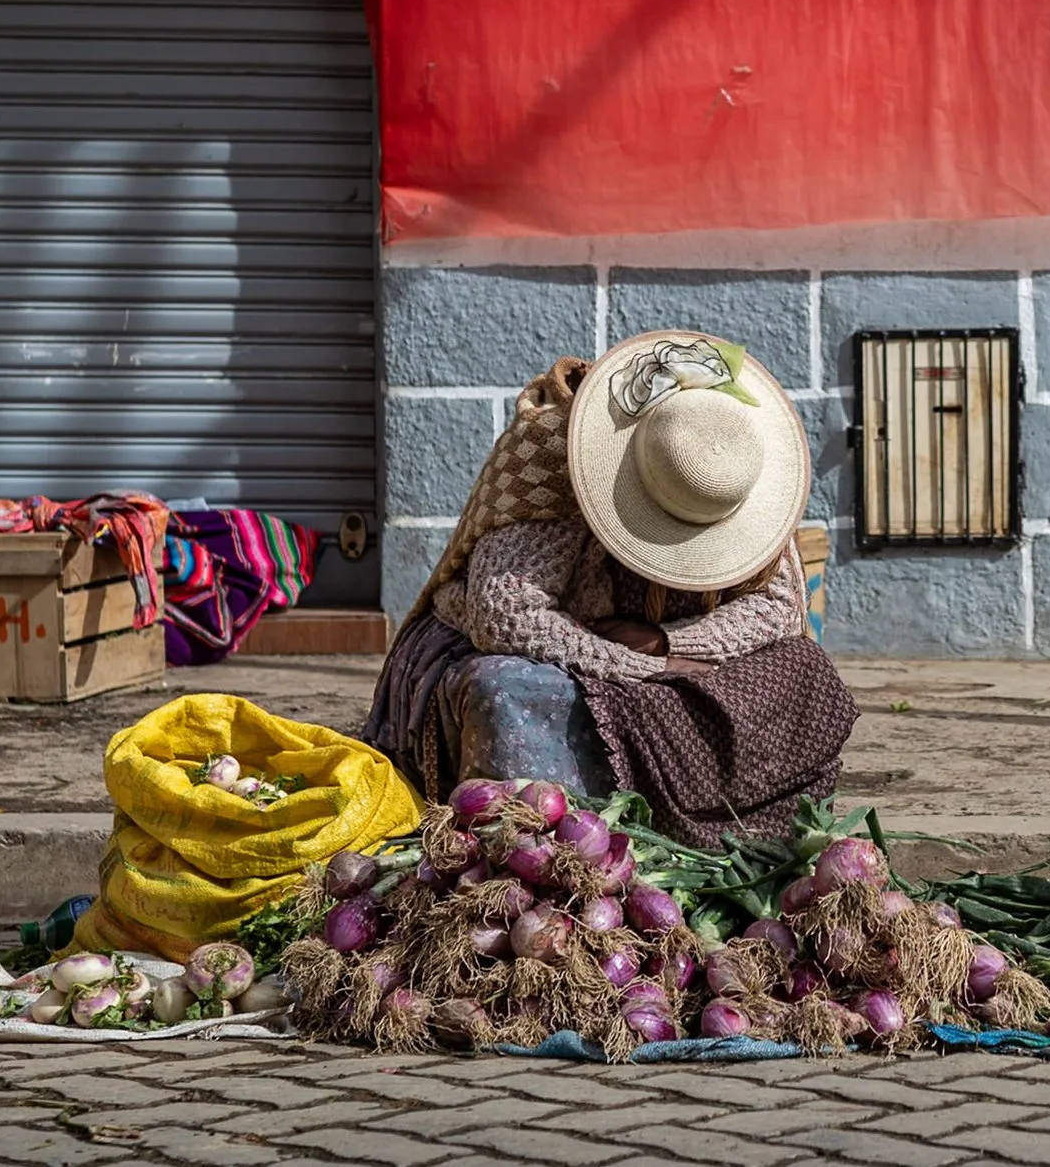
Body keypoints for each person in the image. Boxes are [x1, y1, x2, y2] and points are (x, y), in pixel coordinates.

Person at [363, 331, 858, 845]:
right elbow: (504, 614)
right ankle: (555, 847)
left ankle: (732, 836)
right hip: (544, 649)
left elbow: (776, 608)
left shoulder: (736, 457)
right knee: (507, 689)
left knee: (804, 672)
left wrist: (671, 644)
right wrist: (642, 668)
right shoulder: (553, 456)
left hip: (664, 651)